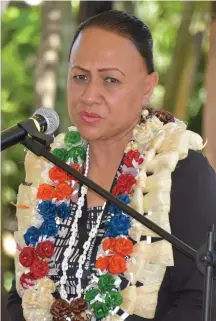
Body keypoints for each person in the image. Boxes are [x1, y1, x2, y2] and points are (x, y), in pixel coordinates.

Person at [7, 10, 216, 321]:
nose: (89, 95)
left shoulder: (179, 171)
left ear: (147, 87)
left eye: (110, 79)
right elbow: (20, 296)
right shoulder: (50, 167)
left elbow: (200, 302)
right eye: (80, 77)